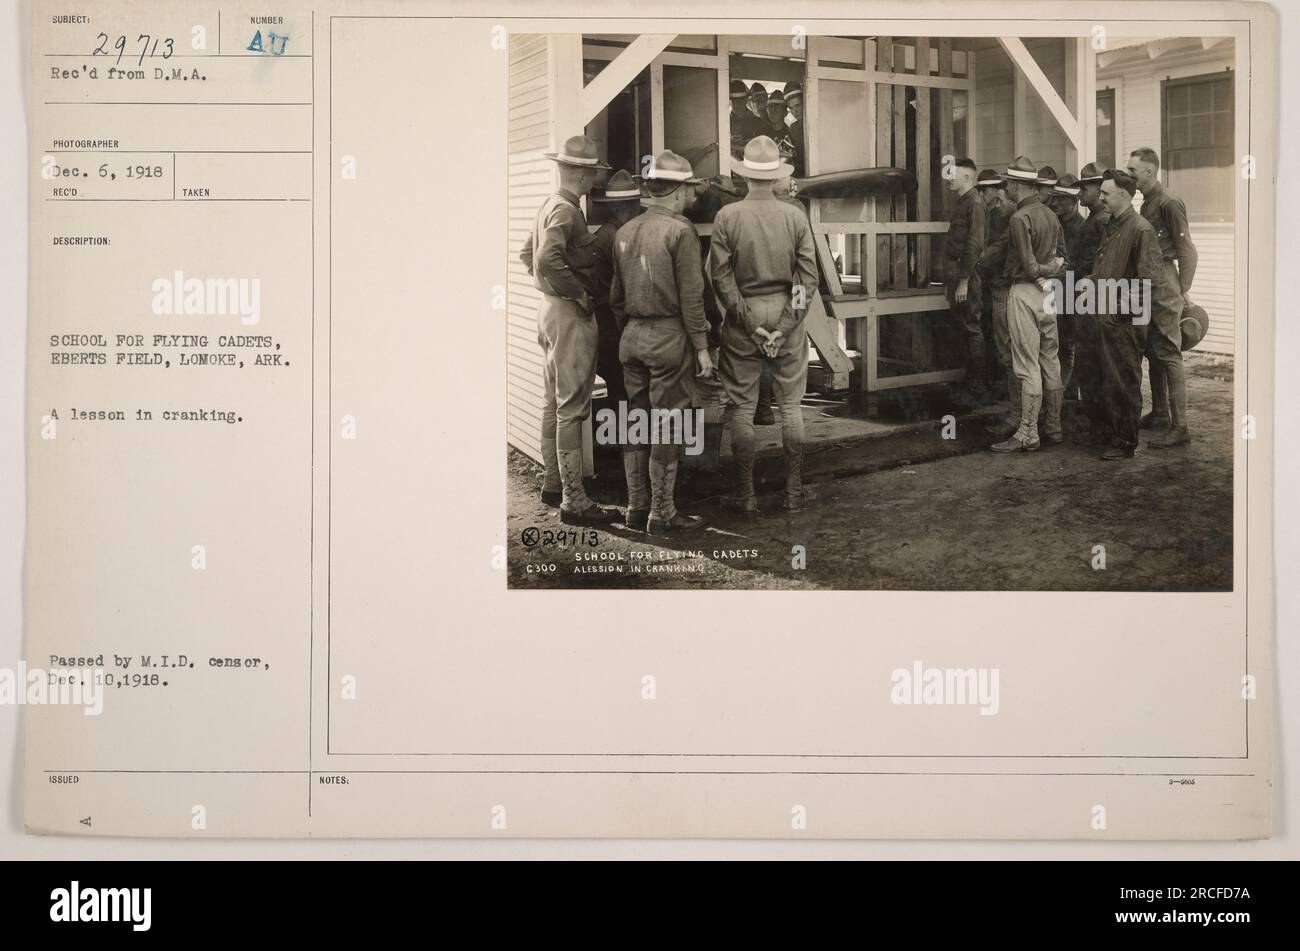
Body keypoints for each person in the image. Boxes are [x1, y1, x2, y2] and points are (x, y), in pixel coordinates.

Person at [710, 136, 818, 511]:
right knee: (791, 407)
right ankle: (793, 491)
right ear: (776, 177)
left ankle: (747, 495)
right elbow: (808, 281)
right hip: (787, 313)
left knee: (741, 408)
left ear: (745, 176)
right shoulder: (794, 216)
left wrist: (751, 322)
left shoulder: (727, 217)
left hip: (744, 317)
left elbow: (720, 279)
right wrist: (785, 326)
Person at [609, 151, 715, 535]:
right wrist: (702, 347)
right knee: (668, 424)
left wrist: (632, 327)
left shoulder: (626, 231)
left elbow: (616, 298)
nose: (691, 196)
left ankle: (636, 508)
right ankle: (663, 511)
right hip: (669, 337)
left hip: (631, 337)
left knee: (636, 420)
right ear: (677, 190)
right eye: (689, 189)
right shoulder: (681, 230)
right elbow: (692, 297)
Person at [519, 135, 618, 523]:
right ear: (578, 173)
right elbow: (545, 257)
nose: (594, 177)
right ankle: (574, 501)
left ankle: (554, 483)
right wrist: (575, 294)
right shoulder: (568, 211)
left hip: (549, 311)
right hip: (567, 315)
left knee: (553, 402)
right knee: (572, 408)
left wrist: (550, 289)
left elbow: (528, 254)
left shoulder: (548, 204)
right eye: (591, 171)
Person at [1088, 168, 1167, 460]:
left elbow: (1149, 282)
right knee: (1109, 378)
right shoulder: (1114, 224)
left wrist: (1118, 312)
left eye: (1106, 193)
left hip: (1124, 322)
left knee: (1124, 380)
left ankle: (1125, 441)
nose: (1101, 197)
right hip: (1107, 317)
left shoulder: (1140, 229)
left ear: (1123, 195)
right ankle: (1114, 434)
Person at [991, 156, 1066, 453]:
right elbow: (1061, 260)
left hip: (1024, 291)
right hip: (1049, 294)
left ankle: (1028, 433)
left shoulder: (1019, 218)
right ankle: (1054, 426)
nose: (1004, 189)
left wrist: (1043, 270)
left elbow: (1031, 267)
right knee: (1051, 360)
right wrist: (1053, 268)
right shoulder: (1050, 214)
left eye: (1006, 184)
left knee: (1026, 366)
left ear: (1014, 185)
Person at [1126, 146, 1198, 448]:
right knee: (1153, 350)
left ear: (1148, 171)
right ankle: (1159, 412)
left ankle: (1180, 426)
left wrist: (1182, 289)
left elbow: (1187, 251)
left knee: (1169, 352)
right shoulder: (1147, 203)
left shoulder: (1169, 202)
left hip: (1165, 282)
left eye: (1132, 170)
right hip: (1150, 281)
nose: (1129, 174)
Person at [586, 169, 643, 411]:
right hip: (615, 324)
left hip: (615, 324)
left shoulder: (606, 236)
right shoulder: (614, 237)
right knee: (623, 390)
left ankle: (629, 445)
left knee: (622, 390)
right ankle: (630, 445)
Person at [1069, 162, 1112, 445]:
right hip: (1085, 292)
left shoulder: (1102, 220)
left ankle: (1102, 427)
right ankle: (1094, 422)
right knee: (1086, 359)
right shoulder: (1093, 218)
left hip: (1094, 294)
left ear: (1099, 189)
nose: (1081, 192)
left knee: (1094, 361)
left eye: (1086, 187)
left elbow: (1100, 263)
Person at [976, 168, 1019, 436]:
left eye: (1002, 198)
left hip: (1007, 291)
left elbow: (993, 252)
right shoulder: (1004, 216)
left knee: (1011, 355)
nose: (998, 202)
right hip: (1005, 289)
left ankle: (1018, 416)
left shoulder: (1014, 221)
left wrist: (976, 260)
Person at [945, 158, 988, 394]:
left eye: (954, 175)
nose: (949, 178)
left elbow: (974, 246)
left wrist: (964, 282)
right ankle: (968, 380)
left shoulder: (975, 204)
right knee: (962, 326)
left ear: (967, 178)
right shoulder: (962, 202)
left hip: (968, 277)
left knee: (972, 327)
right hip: (957, 276)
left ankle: (977, 385)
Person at [1047, 173, 1087, 402]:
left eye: (1062, 199)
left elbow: (1080, 265)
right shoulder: (1056, 224)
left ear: (1074, 202)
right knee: (1058, 342)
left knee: (1069, 344)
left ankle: (1069, 393)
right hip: (1056, 291)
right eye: (1055, 199)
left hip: (1073, 293)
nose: (1056, 204)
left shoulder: (1082, 228)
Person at [728, 79, 766, 161]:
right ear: (729, 101)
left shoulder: (758, 123)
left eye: (740, 99)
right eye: (734, 100)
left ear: (746, 100)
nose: (737, 103)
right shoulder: (723, 122)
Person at [783, 81, 806, 177]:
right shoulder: (793, 129)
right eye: (791, 108)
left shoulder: (818, 125)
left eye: (797, 105)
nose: (794, 111)